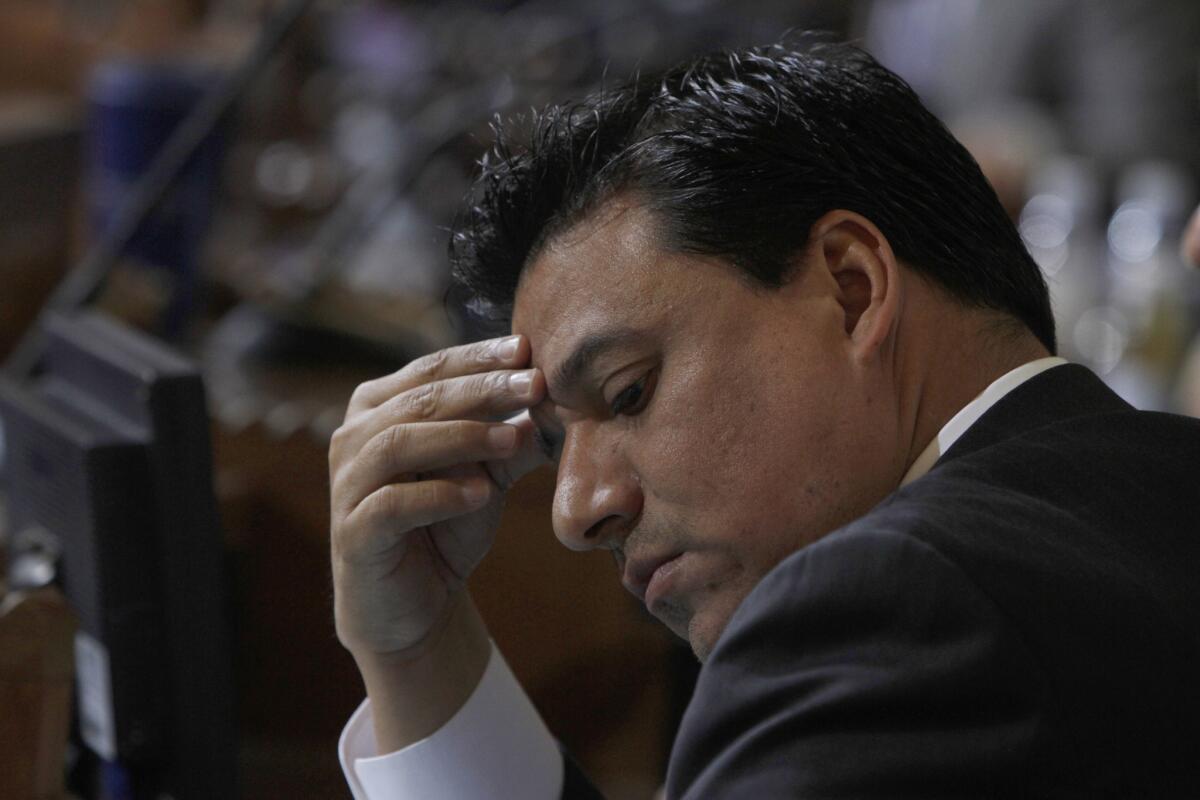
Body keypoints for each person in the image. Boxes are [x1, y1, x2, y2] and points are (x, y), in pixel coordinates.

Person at [330, 41, 1200, 798]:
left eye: (630, 391)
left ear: (850, 288)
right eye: (553, 447)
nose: (576, 510)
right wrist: (418, 654)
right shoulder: (1161, 494)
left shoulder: (885, 606)